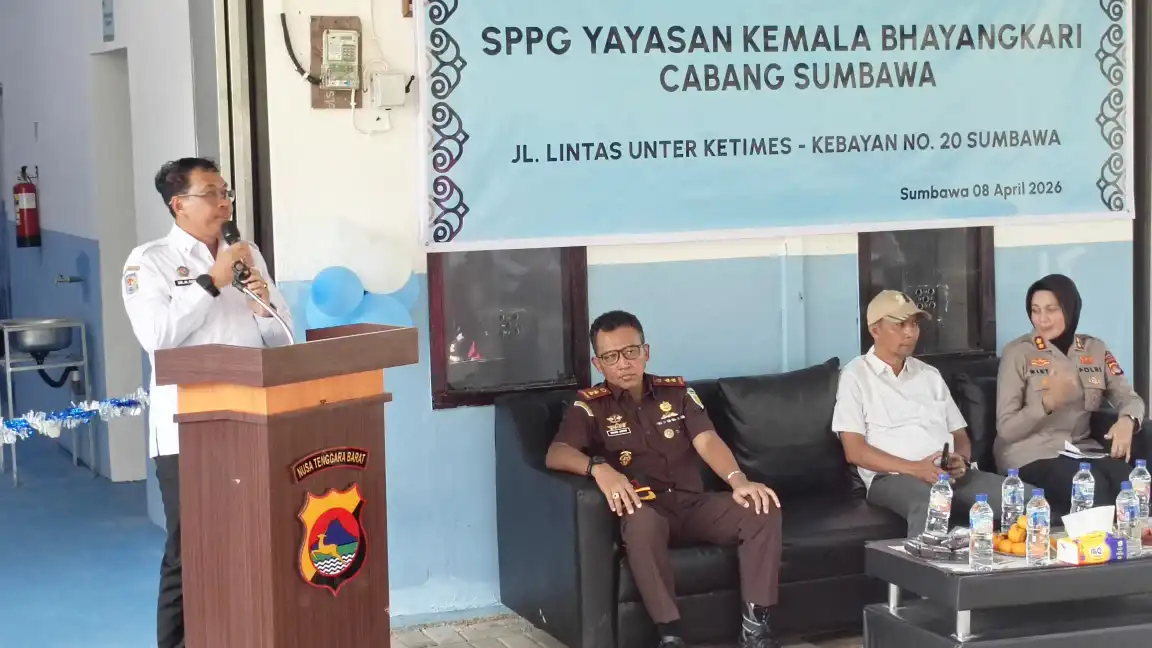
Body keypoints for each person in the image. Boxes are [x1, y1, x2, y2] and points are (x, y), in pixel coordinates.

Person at [122, 157, 294, 648]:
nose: (224, 203)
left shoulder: (246, 253)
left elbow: (281, 339)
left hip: (251, 419)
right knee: (190, 549)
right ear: (179, 204)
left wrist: (263, 304)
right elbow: (158, 338)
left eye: (226, 193)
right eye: (212, 194)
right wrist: (211, 282)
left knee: (250, 539)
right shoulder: (149, 261)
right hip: (186, 430)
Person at [545, 311, 783, 648]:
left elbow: (707, 440)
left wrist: (738, 481)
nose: (623, 364)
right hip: (646, 509)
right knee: (641, 523)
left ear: (646, 352)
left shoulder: (677, 394)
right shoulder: (590, 407)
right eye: (611, 357)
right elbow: (557, 453)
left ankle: (756, 628)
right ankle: (670, 635)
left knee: (761, 507)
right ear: (598, 364)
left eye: (630, 351)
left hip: (693, 504)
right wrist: (598, 468)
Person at [833, 290, 1009, 537]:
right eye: (899, 325)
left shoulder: (929, 375)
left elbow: (959, 435)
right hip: (893, 478)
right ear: (875, 330)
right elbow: (855, 451)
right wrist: (916, 469)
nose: (910, 333)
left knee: (1020, 498)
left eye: (914, 324)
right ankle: (923, 563)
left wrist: (961, 460)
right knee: (931, 505)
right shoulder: (855, 375)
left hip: (946, 474)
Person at [995, 274, 1144, 511]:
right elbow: (1006, 429)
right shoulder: (1017, 353)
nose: (1042, 319)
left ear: (1070, 308)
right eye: (1035, 310)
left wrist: (1128, 420)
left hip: (1082, 450)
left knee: (1131, 486)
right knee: (1092, 491)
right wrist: (1046, 403)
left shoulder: (1094, 349)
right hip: (1032, 453)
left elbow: (1128, 396)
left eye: (1051, 309)